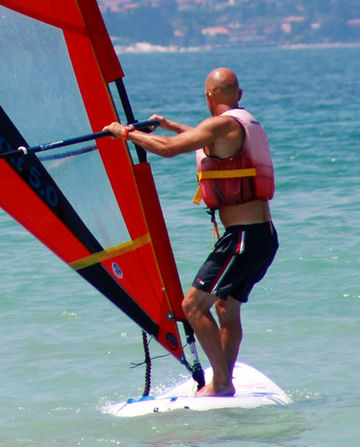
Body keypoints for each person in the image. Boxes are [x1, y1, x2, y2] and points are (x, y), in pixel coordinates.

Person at [103, 68, 277, 397]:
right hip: (263, 236)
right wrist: (169, 125)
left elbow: (169, 149)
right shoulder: (245, 122)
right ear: (238, 95)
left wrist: (124, 133)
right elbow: (202, 139)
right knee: (226, 307)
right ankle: (223, 382)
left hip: (241, 238)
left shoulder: (220, 125)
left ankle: (221, 384)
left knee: (193, 307)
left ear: (208, 96)